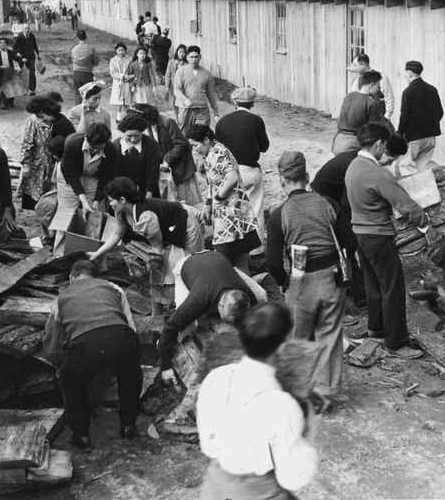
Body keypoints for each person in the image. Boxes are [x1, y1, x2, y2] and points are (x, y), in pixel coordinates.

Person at [197, 301, 319, 499]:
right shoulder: (282, 406)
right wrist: (309, 427)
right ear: (283, 347)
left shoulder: (215, 379)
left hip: (216, 487)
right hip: (259, 492)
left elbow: (209, 445)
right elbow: (294, 477)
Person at [266, 150, 355, 402]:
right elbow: (350, 242)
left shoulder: (278, 214)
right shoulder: (329, 204)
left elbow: (273, 262)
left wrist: (284, 283)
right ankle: (325, 393)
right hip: (332, 279)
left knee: (297, 338)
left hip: (299, 281)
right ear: (307, 176)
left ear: (282, 180)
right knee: (329, 334)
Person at [344, 122, 427, 359]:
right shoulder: (377, 173)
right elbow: (404, 203)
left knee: (374, 284)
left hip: (360, 232)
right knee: (392, 286)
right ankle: (396, 342)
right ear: (379, 144)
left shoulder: (353, 166)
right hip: (378, 234)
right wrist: (424, 222)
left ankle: (377, 329)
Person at [43, 260, 142, 450]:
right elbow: (131, 326)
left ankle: (81, 435)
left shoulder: (61, 298)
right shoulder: (113, 288)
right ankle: (128, 424)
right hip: (122, 336)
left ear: (72, 277)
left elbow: (54, 342)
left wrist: (59, 366)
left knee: (70, 381)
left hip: (85, 345)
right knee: (130, 375)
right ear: (96, 276)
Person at [311, 134, 409, 308]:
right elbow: (347, 202)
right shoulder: (358, 164)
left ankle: (355, 288)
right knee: (348, 245)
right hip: (325, 200)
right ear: (382, 148)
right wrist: (355, 227)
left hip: (334, 198)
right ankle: (358, 292)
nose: (389, 164)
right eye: (390, 159)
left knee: (351, 245)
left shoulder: (363, 158)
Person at [90, 177, 204, 314]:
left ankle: (189, 310)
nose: (110, 203)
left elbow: (158, 250)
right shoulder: (121, 211)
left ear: (122, 200)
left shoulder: (146, 216)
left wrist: (143, 265)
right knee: (157, 277)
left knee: (181, 270)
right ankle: (157, 319)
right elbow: (116, 234)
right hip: (165, 234)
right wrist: (98, 253)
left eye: (112, 200)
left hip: (183, 227)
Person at [159, 250, 256, 385]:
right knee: (186, 327)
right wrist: (165, 366)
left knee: (262, 294)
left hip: (216, 261)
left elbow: (253, 309)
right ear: (220, 306)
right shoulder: (198, 299)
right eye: (226, 319)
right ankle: (184, 361)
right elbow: (170, 327)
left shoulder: (245, 294)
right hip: (188, 266)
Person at [186, 124, 260, 273]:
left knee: (224, 252)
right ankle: (244, 284)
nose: (195, 150)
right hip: (226, 210)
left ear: (206, 140)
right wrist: (208, 204)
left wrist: (218, 200)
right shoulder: (210, 153)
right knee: (236, 251)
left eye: (195, 145)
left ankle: (234, 284)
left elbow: (232, 177)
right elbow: (212, 182)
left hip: (231, 209)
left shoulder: (219, 153)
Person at [216, 87, 270, 255]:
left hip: (228, 171)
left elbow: (219, 147)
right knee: (255, 207)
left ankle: (234, 247)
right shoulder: (256, 120)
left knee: (232, 208)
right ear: (252, 103)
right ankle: (256, 249)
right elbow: (264, 147)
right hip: (249, 169)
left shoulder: (222, 121)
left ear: (234, 101)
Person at [50, 124, 117, 256]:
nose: (95, 150)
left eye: (99, 148)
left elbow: (106, 177)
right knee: (66, 215)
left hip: (94, 177)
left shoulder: (111, 150)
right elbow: (71, 175)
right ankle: (59, 255)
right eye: (92, 147)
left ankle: (95, 258)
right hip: (70, 177)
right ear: (86, 139)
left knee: (96, 216)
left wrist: (96, 200)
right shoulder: (73, 144)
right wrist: (83, 200)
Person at [130, 103, 201, 205]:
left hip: (181, 168)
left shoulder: (167, 122)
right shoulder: (149, 126)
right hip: (169, 171)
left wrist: (167, 160)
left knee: (188, 202)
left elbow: (181, 144)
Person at [396, 60, 443, 177]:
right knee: (422, 169)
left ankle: (413, 194)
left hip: (414, 138)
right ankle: (424, 194)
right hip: (431, 137)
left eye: (405, 73)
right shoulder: (432, 89)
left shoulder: (408, 92)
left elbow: (404, 116)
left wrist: (399, 133)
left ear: (410, 73)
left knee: (406, 166)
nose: (405, 76)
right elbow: (440, 112)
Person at [19, 96, 60, 210]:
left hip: (51, 162)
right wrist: (25, 164)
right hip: (36, 162)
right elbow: (27, 143)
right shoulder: (33, 121)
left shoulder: (54, 120)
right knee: (35, 192)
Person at [332, 70, 385, 155]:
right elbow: (372, 130)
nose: (378, 89)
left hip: (338, 140)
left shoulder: (349, 96)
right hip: (354, 144)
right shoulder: (371, 103)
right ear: (371, 85)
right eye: (378, 86)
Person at [113, 114, 161, 200]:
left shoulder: (150, 144)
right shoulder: (115, 146)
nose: (133, 139)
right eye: (129, 136)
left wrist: (149, 194)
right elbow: (114, 174)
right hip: (122, 191)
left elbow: (153, 172)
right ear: (122, 133)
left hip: (146, 189)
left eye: (137, 135)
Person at [173, 46, 220, 131]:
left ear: (200, 57)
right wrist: (185, 100)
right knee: (185, 134)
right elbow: (177, 89)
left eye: (196, 57)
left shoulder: (206, 73)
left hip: (202, 110)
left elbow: (211, 93)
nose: (194, 60)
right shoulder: (181, 71)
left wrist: (215, 111)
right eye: (191, 57)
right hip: (186, 109)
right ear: (187, 57)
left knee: (202, 133)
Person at [348, 53, 395, 122]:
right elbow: (354, 100)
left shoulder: (382, 78)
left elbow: (389, 97)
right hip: (362, 118)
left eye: (356, 65)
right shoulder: (356, 81)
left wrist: (386, 116)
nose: (354, 68)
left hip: (379, 117)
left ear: (363, 64)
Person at [0, 36, 23, 109]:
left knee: (11, 87)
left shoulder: (10, 52)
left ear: (6, 44)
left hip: (10, 71)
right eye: (1, 43)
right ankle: (5, 104)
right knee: (3, 88)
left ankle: (11, 102)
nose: (2, 44)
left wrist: (22, 61)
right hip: (1, 72)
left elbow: (16, 59)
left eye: (4, 43)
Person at [70, 30, 100, 105]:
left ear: (77, 38)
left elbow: (72, 60)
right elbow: (96, 62)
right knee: (88, 93)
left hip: (76, 73)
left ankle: (78, 111)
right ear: (86, 37)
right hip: (87, 74)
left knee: (77, 93)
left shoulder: (73, 49)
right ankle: (86, 111)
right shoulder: (91, 48)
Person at [109, 43, 134, 123]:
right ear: (116, 51)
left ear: (125, 50)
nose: (121, 52)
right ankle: (119, 116)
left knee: (127, 99)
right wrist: (121, 76)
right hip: (118, 82)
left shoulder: (129, 59)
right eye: (119, 50)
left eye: (122, 50)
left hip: (127, 82)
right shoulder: (113, 60)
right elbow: (112, 72)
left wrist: (130, 77)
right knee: (118, 100)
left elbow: (133, 70)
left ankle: (127, 116)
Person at [12, 23, 40, 96]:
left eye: (28, 28)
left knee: (32, 73)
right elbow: (14, 48)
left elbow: (35, 45)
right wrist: (18, 54)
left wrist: (38, 53)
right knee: (23, 74)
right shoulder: (19, 37)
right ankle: (24, 90)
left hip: (31, 57)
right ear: (22, 29)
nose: (27, 30)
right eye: (25, 28)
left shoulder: (32, 36)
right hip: (23, 58)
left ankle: (32, 90)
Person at [164, 44, 188, 117]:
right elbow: (168, 74)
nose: (181, 54)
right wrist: (167, 86)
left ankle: (182, 117)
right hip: (173, 86)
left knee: (182, 102)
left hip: (183, 87)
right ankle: (177, 118)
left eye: (183, 52)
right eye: (180, 52)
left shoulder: (187, 64)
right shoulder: (171, 62)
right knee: (174, 102)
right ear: (177, 52)